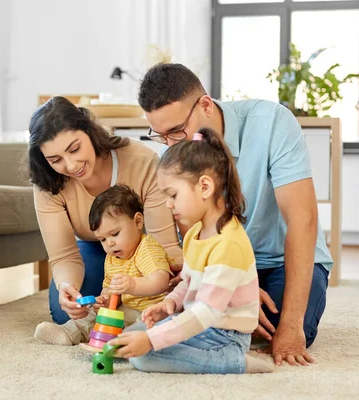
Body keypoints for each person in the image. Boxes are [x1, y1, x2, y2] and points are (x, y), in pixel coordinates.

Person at [136, 63, 333, 366]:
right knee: (174, 316)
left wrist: (290, 325)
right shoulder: (174, 153)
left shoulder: (272, 123)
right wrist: (234, 290)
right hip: (222, 265)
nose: (172, 145)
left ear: (205, 105)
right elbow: (191, 238)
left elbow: (303, 221)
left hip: (280, 261)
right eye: (161, 136)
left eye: (177, 131)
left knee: (279, 331)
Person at [111, 128, 274, 374]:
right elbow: (189, 282)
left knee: (144, 357)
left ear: (205, 187)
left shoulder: (228, 244)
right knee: (132, 336)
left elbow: (206, 312)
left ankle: (232, 361)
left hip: (224, 334)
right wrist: (170, 303)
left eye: (173, 195)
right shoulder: (196, 232)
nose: (168, 204)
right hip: (199, 322)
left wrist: (152, 340)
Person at [27, 96, 182, 325]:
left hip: (145, 249)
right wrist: (66, 287)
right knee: (68, 314)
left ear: (89, 131)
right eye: (55, 159)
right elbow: (64, 256)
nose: (70, 166)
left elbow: (163, 245)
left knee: (160, 305)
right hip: (94, 248)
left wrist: (178, 275)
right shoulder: (48, 183)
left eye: (75, 149)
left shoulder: (140, 159)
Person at [33, 185, 174, 345]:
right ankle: (69, 332)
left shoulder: (147, 247)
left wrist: (133, 284)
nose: (110, 243)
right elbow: (110, 288)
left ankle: (126, 341)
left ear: (138, 221)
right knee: (95, 317)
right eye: (102, 239)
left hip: (152, 311)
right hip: (127, 309)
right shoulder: (113, 257)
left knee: (140, 327)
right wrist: (105, 299)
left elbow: (161, 281)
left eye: (114, 234)